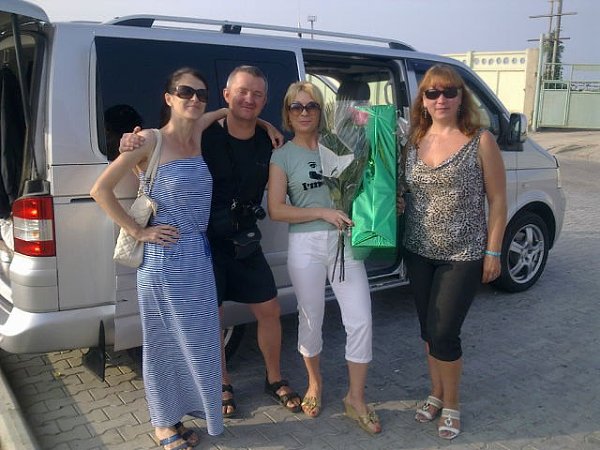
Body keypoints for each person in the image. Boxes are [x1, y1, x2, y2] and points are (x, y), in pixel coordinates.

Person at [119, 65, 301, 418]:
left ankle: (274, 377)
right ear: (226, 95)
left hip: (245, 240)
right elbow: (161, 142)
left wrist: (267, 125)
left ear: (266, 100)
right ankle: (222, 383)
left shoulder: (270, 141)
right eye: (242, 92)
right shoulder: (203, 134)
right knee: (211, 316)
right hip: (205, 243)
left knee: (269, 309)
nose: (249, 99)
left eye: (257, 94)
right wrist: (131, 141)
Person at [91, 67, 227, 449]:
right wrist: (138, 231)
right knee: (164, 343)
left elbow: (225, 112)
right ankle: (163, 424)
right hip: (164, 260)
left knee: (199, 342)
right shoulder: (150, 140)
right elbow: (100, 190)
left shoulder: (197, 133)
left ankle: (180, 413)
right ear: (169, 98)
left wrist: (265, 124)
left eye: (201, 94)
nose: (195, 99)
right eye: (185, 92)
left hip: (197, 257)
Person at [399, 64, 507, 440]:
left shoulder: (480, 140)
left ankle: (453, 403)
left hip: (463, 253)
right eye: (432, 93)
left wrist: (493, 252)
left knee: (445, 332)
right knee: (428, 330)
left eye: (449, 91)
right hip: (417, 250)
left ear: (462, 97)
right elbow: (406, 191)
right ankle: (436, 392)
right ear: (423, 100)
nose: (440, 99)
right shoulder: (414, 140)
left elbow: (498, 201)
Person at [267, 81, 382, 435]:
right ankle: (315, 383)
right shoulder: (282, 156)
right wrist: (321, 212)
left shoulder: (340, 145)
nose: (304, 112)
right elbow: (276, 209)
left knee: (360, 319)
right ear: (288, 113)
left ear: (322, 111)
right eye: (296, 107)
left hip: (344, 242)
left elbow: (363, 188)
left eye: (311, 106)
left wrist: (383, 203)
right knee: (311, 317)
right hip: (306, 245)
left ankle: (356, 398)